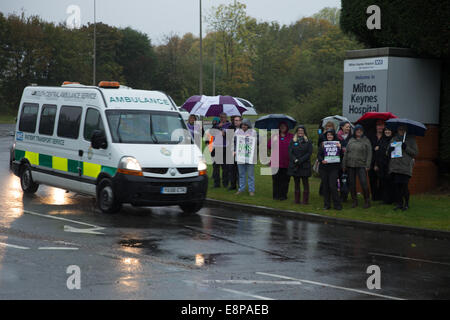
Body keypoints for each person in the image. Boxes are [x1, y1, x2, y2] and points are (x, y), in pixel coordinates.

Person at [388, 125, 418, 211]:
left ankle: (406, 204)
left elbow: (415, 153)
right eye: (400, 129)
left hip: (405, 167)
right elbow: (388, 152)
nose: (401, 131)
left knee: (404, 186)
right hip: (395, 167)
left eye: (403, 130)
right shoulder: (394, 139)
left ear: (406, 131)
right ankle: (399, 204)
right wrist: (389, 150)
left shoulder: (411, 140)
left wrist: (406, 148)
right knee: (397, 187)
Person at [342, 124, 372, 209]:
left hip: (361, 165)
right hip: (350, 165)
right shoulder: (351, 140)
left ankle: (367, 201)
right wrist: (344, 164)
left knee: (364, 183)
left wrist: (368, 164)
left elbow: (369, 153)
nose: (359, 131)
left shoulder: (366, 140)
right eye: (357, 130)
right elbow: (346, 153)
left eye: (360, 130)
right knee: (352, 184)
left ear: (363, 131)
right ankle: (354, 201)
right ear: (354, 131)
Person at [317, 129, 342, 210]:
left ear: (333, 135)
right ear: (326, 136)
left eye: (331, 135)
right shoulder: (323, 144)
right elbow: (319, 155)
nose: (329, 136)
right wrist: (322, 160)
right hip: (324, 168)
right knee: (325, 186)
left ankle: (337, 205)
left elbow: (341, 156)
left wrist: (340, 149)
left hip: (334, 168)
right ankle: (327, 205)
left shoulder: (337, 144)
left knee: (333, 186)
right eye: (328, 135)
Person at [269, 122, 293, 200]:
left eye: (284, 126)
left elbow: (295, 146)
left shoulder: (291, 136)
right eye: (281, 126)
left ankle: (283, 195)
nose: (282, 127)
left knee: (285, 180)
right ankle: (276, 195)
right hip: (275, 162)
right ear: (279, 128)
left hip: (287, 162)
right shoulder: (275, 136)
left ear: (287, 127)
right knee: (276, 180)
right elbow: (268, 146)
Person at [288, 125, 312, 204]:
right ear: (296, 132)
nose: (300, 132)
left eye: (302, 131)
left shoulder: (308, 141)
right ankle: (297, 200)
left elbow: (309, 153)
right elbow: (290, 152)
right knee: (296, 183)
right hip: (295, 165)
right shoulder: (293, 141)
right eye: (299, 131)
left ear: (304, 132)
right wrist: (295, 159)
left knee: (305, 183)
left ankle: (305, 200)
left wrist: (300, 160)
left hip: (305, 165)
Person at [234, 119, 257, 196]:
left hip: (250, 156)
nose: (244, 126)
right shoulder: (237, 131)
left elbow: (258, 141)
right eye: (243, 124)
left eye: (245, 124)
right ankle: (241, 189)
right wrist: (234, 150)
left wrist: (251, 138)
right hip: (240, 156)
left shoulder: (253, 132)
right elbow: (233, 142)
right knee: (241, 174)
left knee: (250, 175)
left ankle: (251, 190)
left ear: (248, 125)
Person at [374, 127, 395, 204]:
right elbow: (377, 154)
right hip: (381, 165)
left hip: (391, 165)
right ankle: (385, 199)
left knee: (391, 183)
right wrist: (376, 164)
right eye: (386, 130)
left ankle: (392, 199)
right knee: (383, 183)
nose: (387, 131)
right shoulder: (381, 140)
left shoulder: (394, 140)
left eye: (389, 130)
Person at [212, 112, 231, 188]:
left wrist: (225, 134)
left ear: (226, 118)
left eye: (223, 117)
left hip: (225, 147)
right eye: (221, 117)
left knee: (225, 167)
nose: (222, 118)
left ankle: (225, 183)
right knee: (216, 167)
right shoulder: (217, 125)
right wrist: (217, 127)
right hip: (217, 147)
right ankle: (216, 184)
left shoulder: (229, 125)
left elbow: (231, 136)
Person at [368, 120, 386, 201]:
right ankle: (375, 197)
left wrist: (380, 148)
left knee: (382, 180)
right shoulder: (371, 136)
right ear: (376, 127)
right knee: (372, 180)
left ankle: (381, 196)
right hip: (372, 161)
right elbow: (367, 147)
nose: (380, 127)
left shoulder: (386, 136)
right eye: (378, 125)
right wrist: (373, 148)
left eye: (382, 125)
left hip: (382, 162)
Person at [337, 121, 352, 202]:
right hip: (339, 161)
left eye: (349, 127)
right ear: (342, 127)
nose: (348, 128)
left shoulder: (351, 137)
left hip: (349, 161)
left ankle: (345, 195)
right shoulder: (337, 137)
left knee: (347, 179)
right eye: (347, 127)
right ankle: (341, 195)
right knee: (340, 178)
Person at [227, 115, 242, 191]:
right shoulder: (231, 128)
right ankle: (233, 185)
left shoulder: (243, 129)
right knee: (231, 170)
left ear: (240, 121)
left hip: (239, 153)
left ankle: (240, 186)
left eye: (237, 120)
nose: (235, 121)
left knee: (239, 170)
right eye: (234, 120)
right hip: (231, 152)